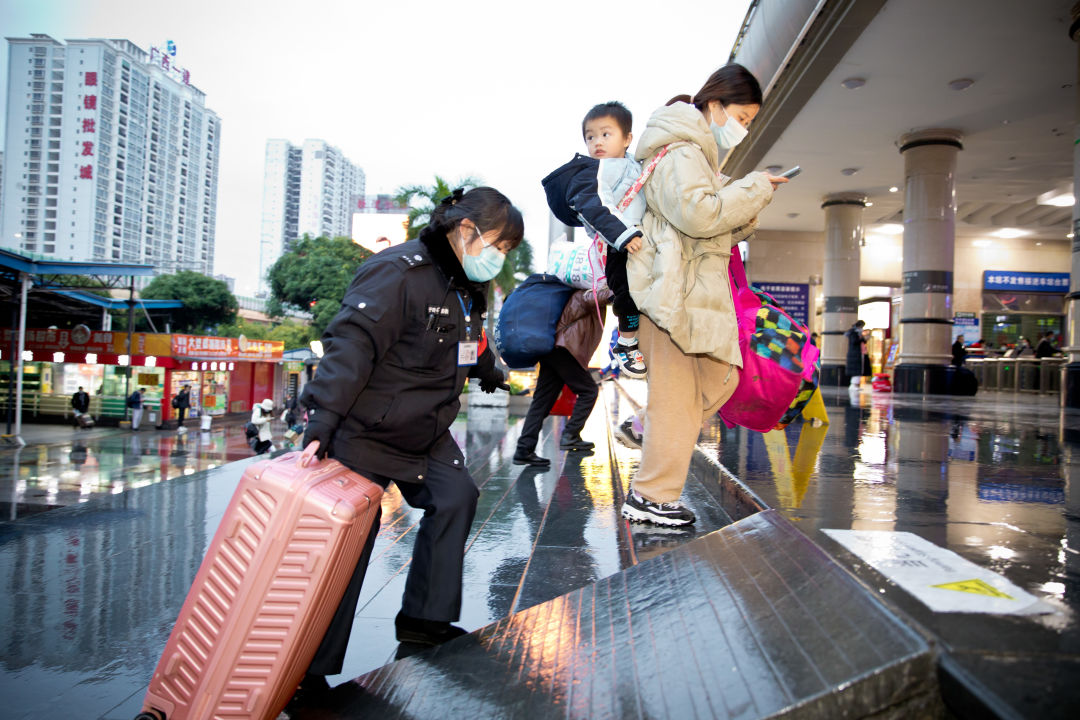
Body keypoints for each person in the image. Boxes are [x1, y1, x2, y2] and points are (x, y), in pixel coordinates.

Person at [293, 186, 521, 698]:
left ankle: (425, 622)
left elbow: (467, 341)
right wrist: (322, 420)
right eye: (500, 246)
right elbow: (352, 344)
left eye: (507, 252)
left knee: (456, 496)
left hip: (426, 431)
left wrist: (491, 370)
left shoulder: (464, 283)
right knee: (352, 538)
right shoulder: (398, 272)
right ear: (467, 231)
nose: (500, 258)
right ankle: (309, 665)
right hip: (367, 428)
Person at [621, 63, 786, 527]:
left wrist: (746, 198)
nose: (743, 127)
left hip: (691, 298)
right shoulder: (680, 152)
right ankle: (651, 496)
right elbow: (698, 215)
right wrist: (752, 188)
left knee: (720, 380)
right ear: (714, 105)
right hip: (669, 296)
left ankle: (648, 429)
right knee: (679, 401)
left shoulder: (700, 157)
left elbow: (711, 227)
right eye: (743, 116)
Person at [542, 101, 648, 378]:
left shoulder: (635, 164)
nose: (597, 142)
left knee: (641, 294)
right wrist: (623, 236)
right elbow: (595, 206)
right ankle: (626, 343)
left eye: (605, 134)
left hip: (639, 241)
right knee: (627, 294)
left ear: (627, 139)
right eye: (590, 137)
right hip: (618, 246)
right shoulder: (595, 170)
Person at [513, 287, 611, 466]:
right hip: (564, 349)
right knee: (589, 390)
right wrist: (620, 289)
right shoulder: (581, 293)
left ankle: (523, 449)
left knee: (542, 402)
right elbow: (598, 297)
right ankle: (571, 434)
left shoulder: (567, 294)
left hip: (553, 349)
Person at [846, 320, 866, 388]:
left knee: (857, 370)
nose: (862, 328)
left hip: (856, 354)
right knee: (856, 370)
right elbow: (854, 342)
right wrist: (861, 338)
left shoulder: (856, 333)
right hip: (855, 355)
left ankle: (855, 384)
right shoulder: (854, 333)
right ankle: (854, 385)